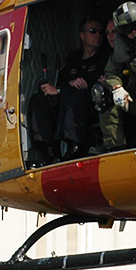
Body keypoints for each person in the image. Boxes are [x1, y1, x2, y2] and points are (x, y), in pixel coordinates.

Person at [28, 17, 110, 164]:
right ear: (82, 35)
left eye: (100, 32)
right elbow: (61, 82)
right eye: (93, 31)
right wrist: (61, 87)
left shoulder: (105, 57)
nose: (98, 34)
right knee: (39, 99)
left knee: (77, 94)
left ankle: (74, 145)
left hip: (91, 103)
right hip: (65, 100)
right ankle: (49, 149)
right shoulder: (73, 58)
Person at [95, 1, 136, 152]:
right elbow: (111, 71)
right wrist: (117, 88)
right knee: (101, 92)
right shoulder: (122, 47)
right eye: (128, 29)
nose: (134, 32)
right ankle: (115, 147)